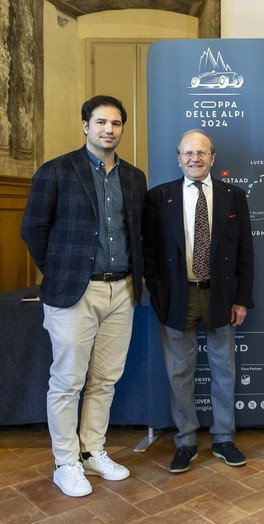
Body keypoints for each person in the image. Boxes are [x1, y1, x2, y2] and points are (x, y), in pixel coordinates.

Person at [21, 95, 147, 497]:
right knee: (67, 381)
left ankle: (93, 450)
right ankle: (66, 461)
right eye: (101, 122)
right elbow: (33, 231)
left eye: (116, 123)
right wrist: (62, 271)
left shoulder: (133, 176)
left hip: (123, 290)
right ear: (85, 126)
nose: (109, 129)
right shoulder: (56, 171)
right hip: (74, 293)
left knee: (105, 380)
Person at [142, 129, 254, 473]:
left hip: (220, 296)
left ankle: (223, 438)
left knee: (224, 370)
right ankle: (186, 441)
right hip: (177, 297)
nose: (195, 158)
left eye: (202, 153)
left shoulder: (234, 196)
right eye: (188, 153)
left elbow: (245, 253)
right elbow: (149, 252)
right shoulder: (159, 197)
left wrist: (241, 299)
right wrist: (158, 294)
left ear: (212, 158)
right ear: (178, 158)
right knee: (179, 373)